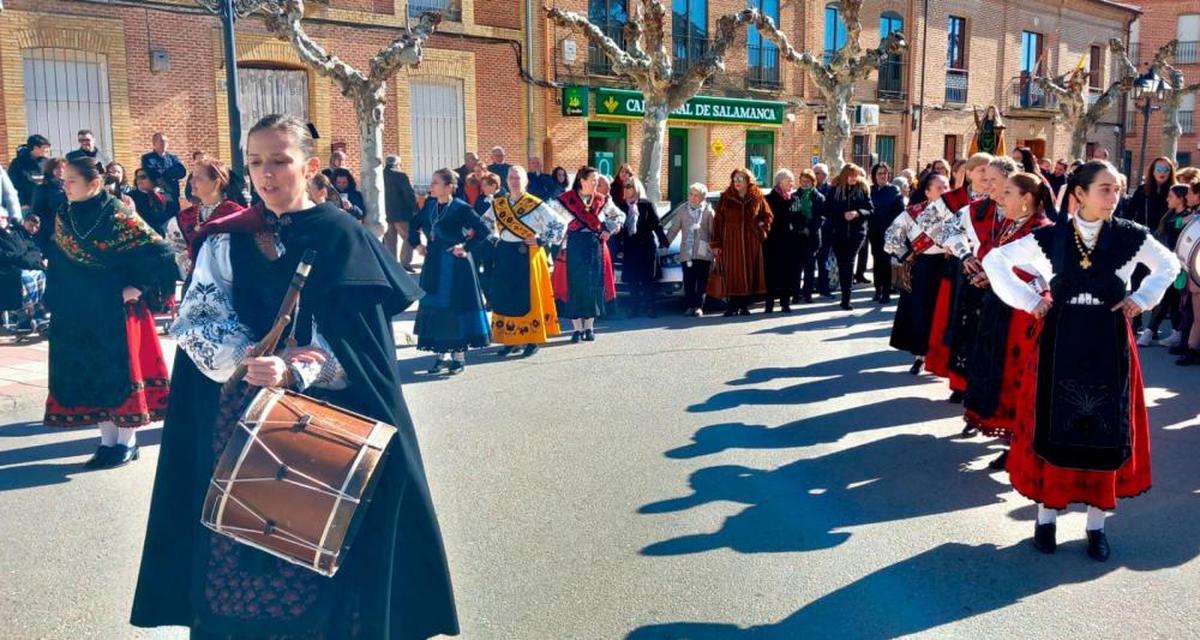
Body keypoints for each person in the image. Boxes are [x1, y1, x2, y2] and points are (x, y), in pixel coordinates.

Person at [131, 114, 457, 638]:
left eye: (280, 160)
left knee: (325, 544)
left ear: (308, 167)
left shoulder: (343, 236)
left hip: (330, 421)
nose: (267, 173)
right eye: (256, 162)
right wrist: (246, 358)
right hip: (238, 420)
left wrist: (297, 367)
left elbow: (363, 346)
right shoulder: (223, 238)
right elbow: (196, 321)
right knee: (240, 539)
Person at [982, 160, 1177, 561]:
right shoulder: (1051, 238)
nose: (1114, 196)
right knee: (1052, 425)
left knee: (1104, 431)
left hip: (1109, 342)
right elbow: (995, 261)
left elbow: (1169, 265)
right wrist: (1030, 301)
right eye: (1105, 188)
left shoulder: (1131, 237)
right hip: (1060, 341)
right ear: (1080, 194)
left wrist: (1140, 300)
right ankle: (1046, 518)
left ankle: (1096, 526)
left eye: (1118, 188)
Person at [43, 157, 175, 468]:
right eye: (64, 181)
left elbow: (159, 251)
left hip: (116, 308)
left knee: (119, 372)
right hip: (78, 308)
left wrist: (139, 287)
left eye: (72, 181)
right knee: (93, 374)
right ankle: (107, 442)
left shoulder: (117, 213)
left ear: (95, 183)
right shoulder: (65, 213)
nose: (65, 186)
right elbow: (59, 258)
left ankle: (126, 443)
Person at [409, 167, 492, 373]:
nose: (431, 186)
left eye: (436, 183)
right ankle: (441, 355)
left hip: (456, 265)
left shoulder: (461, 208)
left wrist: (465, 247)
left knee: (455, 305)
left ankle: (459, 357)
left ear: (449, 187)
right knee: (436, 306)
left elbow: (483, 230)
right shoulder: (429, 205)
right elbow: (414, 224)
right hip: (434, 262)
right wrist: (417, 244)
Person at [483, 166, 567, 356]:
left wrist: (541, 240)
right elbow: (485, 224)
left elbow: (560, 224)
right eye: (511, 178)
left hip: (528, 254)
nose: (514, 181)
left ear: (525, 181)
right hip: (505, 253)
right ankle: (511, 340)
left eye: (518, 178)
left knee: (528, 296)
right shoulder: (499, 204)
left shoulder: (535, 203)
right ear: (506, 181)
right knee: (506, 295)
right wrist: (494, 238)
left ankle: (531, 339)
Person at [886, 172, 952, 374]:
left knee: (946, 312)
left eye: (947, 187)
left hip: (949, 264)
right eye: (940, 188)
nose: (945, 191)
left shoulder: (956, 211)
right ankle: (921, 355)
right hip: (924, 266)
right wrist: (905, 254)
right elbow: (891, 235)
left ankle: (944, 359)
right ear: (927, 191)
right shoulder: (913, 212)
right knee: (922, 311)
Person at [548, 165, 625, 342]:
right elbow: (552, 219)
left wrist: (610, 230)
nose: (596, 183)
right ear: (582, 180)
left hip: (594, 245)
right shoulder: (565, 200)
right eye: (593, 180)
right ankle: (576, 329)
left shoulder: (602, 199)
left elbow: (619, 216)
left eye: (597, 180)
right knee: (575, 286)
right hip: (574, 245)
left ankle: (589, 327)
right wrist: (556, 236)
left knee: (593, 285)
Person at [167, 157, 245, 277]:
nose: (191, 182)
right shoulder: (184, 216)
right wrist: (191, 264)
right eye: (192, 177)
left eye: (198, 178)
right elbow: (176, 248)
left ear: (216, 182)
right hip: (195, 282)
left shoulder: (236, 214)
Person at [710, 167, 772, 316]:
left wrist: (761, 228)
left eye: (740, 179)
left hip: (751, 241)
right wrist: (716, 243)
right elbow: (718, 221)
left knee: (749, 272)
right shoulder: (726, 197)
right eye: (735, 179)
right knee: (732, 273)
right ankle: (732, 305)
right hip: (730, 241)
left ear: (747, 180)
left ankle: (744, 305)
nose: (737, 182)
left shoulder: (757, 195)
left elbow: (767, 215)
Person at [1126, 156, 1175, 337]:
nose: (1162, 173)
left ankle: (1152, 326)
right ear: (1152, 171)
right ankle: (1136, 320)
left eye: (1166, 170)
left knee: (1161, 281)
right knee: (1137, 279)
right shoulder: (1142, 191)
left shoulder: (1173, 192)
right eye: (1158, 169)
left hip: (1164, 242)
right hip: (1144, 240)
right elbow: (1130, 213)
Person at [1140, 183, 1190, 348]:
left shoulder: (1188, 216)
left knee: (1171, 299)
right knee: (1168, 298)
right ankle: (1167, 332)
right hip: (1164, 263)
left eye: (1171, 196)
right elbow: (1161, 232)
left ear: (1181, 199)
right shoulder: (1169, 215)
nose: (1167, 199)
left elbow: (1177, 228)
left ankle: (1152, 332)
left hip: (1180, 265)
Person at [617, 176, 668, 317]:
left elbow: (656, 224)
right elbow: (620, 230)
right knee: (633, 281)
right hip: (630, 248)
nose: (626, 189)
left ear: (636, 188)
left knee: (648, 280)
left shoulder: (646, 205)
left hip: (646, 247)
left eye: (629, 186)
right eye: (625, 186)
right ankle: (634, 308)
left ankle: (650, 308)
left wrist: (664, 241)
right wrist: (620, 249)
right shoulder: (622, 206)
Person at [824, 163, 873, 311]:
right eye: (851, 175)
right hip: (838, 232)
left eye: (856, 175)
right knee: (842, 263)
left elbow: (870, 210)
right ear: (845, 175)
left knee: (849, 262)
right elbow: (827, 210)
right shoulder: (834, 190)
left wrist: (857, 213)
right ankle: (844, 294)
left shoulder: (862, 189)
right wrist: (841, 215)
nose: (854, 178)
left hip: (856, 233)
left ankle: (846, 299)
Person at [666, 183, 715, 316]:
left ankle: (699, 306)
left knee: (701, 280)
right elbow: (674, 229)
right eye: (691, 194)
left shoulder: (708, 211)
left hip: (703, 251)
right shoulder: (683, 210)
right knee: (688, 280)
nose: (693, 197)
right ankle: (689, 306)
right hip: (687, 250)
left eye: (696, 195)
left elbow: (713, 232)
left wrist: (715, 249)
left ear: (702, 197)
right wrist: (665, 244)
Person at [0, 208, 47, 333]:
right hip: (5, 270)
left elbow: (28, 250)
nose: (2, 220)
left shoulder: (14, 233)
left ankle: (38, 315)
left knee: (40, 274)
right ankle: (25, 318)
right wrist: (18, 256)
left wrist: (34, 262)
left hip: (16, 266)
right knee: (23, 277)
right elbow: (11, 254)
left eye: (4, 217)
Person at [763, 169, 798, 313]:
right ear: (780, 182)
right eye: (789, 180)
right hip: (773, 242)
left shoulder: (795, 199)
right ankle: (769, 303)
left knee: (788, 273)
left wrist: (797, 227)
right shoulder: (768, 199)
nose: (792, 183)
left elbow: (799, 216)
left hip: (790, 242)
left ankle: (785, 303)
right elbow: (765, 219)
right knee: (771, 274)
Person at [869, 163, 905, 303]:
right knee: (877, 261)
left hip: (889, 233)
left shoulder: (893, 190)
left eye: (885, 173)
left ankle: (886, 291)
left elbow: (900, 212)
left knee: (885, 261)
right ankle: (877, 289)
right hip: (874, 231)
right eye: (880, 173)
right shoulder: (870, 190)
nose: (883, 176)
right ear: (874, 176)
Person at [383, 155, 418, 270]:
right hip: (401, 214)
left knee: (390, 241)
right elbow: (409, 194)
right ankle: (405, 263)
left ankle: (391, 265)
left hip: (385, 213)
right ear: (397, 164)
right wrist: (415, 209)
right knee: (408, 237)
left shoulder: (380, 174)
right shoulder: (400, 175)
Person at [140, 132, 186, 216]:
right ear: (154, 143)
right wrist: (170, 173)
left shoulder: (173, 158)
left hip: (173, 194)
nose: (164, 143)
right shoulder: (148, 158)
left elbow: (182, 171)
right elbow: (151, 172)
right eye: (161, 141)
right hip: (156, 197)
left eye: (166, 141)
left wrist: (164, 175)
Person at [30, 158, 67, 249]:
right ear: (51, 170)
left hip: (70, 233)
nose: (61, 171)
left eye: (64, 168)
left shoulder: (71, 187)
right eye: (57, 168)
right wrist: (54, 231)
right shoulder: (42, 189)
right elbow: (38, 213)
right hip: (50, 234)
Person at [9, 134, 51, 207]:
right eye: (45, 148)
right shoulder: (17, 164)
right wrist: (22, 203)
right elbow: (13, 185)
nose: (48, 150)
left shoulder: (47, 163)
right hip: (26, 205)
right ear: (35, 148)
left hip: (46, 205)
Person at [812, 162, 835, 298]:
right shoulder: (810, 189)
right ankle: (806, 288)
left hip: (825, 231)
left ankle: (824, 287)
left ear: (824, 175)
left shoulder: (831, 190)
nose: (814, 176)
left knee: (823, 260)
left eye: (817, 173)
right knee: (809, 261)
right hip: (811, 231)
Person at [129, 168, 172, 235]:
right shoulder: (131, 197)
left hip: (162, 234)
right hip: (142, 234)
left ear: (153, 179)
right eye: (137, 178)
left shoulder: (162, 195)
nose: (139, 180)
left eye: (143, 177)